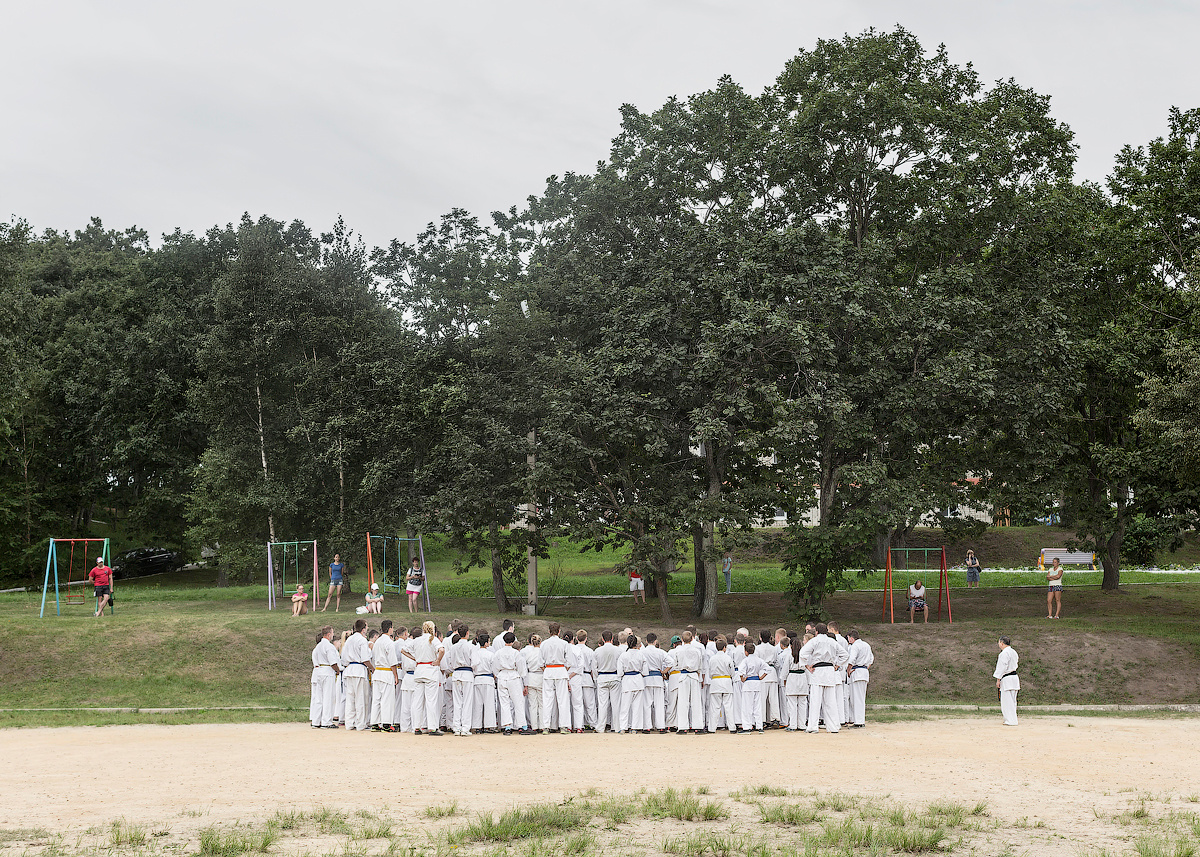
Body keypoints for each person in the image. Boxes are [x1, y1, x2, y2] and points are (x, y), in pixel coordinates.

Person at [800, 622, 841, 733]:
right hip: (829, 671)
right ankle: (833, 727)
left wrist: (807, 666)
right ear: (826, 631)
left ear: (816, 632)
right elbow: (844, 654)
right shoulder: (832, 641)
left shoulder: (814, 641)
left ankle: (813, 727)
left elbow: (802, 653)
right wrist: (837, 665)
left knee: (815, 700)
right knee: (830, 701)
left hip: (817, 671)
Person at [411, 620, 445, 734]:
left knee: (418, 701)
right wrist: (438, 660)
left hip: (419, 670)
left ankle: (417, 727)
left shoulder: (417, 640)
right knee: (431, 701)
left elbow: (404, 650)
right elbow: (442, 650)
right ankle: (432, 727)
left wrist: (415, 659)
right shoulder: (433, 639)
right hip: (430, 670)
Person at [339, 619, 372, 731]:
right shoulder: (362, 640)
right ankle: (361, 724)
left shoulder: (349, 640)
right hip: (359, 669)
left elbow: (343, 658)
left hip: (349, 670)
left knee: (350, 698)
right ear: (363, 629)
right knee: (360, 698)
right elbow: (365, 658)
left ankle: (349, 723)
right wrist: (372, 669)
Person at [370, 620, 398, 731]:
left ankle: (375, 723)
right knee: (387, 699)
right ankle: (386, 723)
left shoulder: (377, 642)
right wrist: (395, 675)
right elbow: (392, 661)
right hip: (386, 672)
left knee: (376, 698)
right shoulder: (389, 642)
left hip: (377, 672)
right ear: (390, 628)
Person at [310, 626, 340, 728]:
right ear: (328, 634)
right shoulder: (329, 646)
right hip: (327, 671)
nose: (333, 635)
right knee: (328, 697)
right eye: (332, 633)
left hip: (319, 671)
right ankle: (326, 721)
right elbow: (333, 662)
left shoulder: (318, 646)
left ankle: (316, 720)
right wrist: (337, 670)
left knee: (319, 697)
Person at [705, 636, 737, 733]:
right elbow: (732, 672)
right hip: (726, 682)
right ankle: (732, 727)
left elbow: (710, 672)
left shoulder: (712, 659)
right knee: (728, 706)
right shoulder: (728, 658)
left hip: (715, 682)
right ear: (724, 647)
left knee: (714, 706)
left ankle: (711, 728)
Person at [846, 630, 873, 728]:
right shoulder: (866, 645)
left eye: (848, 638)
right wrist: (865, 668)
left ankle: (858, 721)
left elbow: (851, 659)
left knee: (856, 698)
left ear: (852, 638)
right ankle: (860, 720)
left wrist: (848, 670)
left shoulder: (855, 646)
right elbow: (871, 659)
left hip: (857, 672)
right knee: (861, 698)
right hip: (864, 672)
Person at [994, 636, 1020, 726]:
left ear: (1002, 643)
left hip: (1007, 678)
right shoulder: (1014, 652)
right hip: (1014, 678)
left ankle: (1010, 720)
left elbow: (1002, 667)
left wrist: (998, 679)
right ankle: (1013, 719)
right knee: (1012, 701)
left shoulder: (1004, 653)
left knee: (1007, 701)